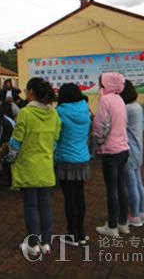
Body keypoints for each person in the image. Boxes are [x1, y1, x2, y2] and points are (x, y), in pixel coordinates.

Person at [7, 77, 60, 258]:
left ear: (31, 92)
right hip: (46, 165)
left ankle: (32, 244)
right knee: (45, 206)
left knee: (31, 206)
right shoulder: (54, 114)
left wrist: (10, 157)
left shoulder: (25, 113)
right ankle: (46, 243)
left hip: (28, 166)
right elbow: (55, 140)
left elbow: (16, 140)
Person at [93, 72, 130, 238]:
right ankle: (123, 223)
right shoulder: (119, 99)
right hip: (123, 149)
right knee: (122, 187)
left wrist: (98, 142)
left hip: (110, 150)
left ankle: (112, 226)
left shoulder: (105, 100)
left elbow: (101, 126)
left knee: (111, 189)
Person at [55, 83, 92, 246]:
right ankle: (81, 232)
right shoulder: (85, 110)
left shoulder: (59, 112)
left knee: (69, 197)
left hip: (65, 159)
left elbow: (56, 136)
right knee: (79, 195)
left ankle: (72, 233)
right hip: (82, 158)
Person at [120, 80, 144, 227]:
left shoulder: (126, 109)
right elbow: (143, 126)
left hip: (129, 150)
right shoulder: (137, 107)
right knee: (138, 183)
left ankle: (134, 215)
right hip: (138, 149)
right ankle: (142, 213)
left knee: (131, 185)